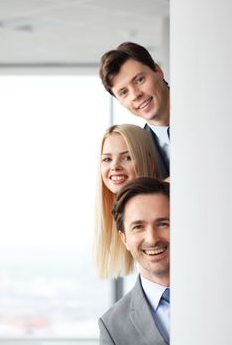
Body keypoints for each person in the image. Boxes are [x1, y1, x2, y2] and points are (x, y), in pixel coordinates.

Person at [98, 177, 170, 345]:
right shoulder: (112, 327)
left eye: (163, 224)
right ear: (124, 239)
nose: (152, 239)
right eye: (138, 227)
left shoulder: (220, 294)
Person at [94, 124, 160, 278]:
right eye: (107, 159)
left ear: (148, 161)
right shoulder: (126, 215)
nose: (115, 167)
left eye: (127, 157)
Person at [99, 42, 170, 180]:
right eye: (124, 92)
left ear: (158, 71)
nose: (135, 95)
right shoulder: (138, 150)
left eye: (139, 80)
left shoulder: (211, 110)